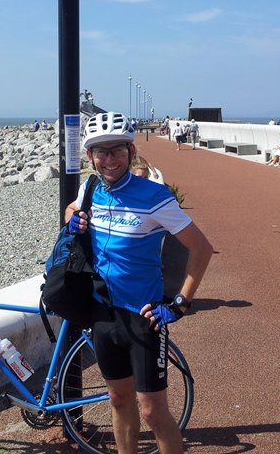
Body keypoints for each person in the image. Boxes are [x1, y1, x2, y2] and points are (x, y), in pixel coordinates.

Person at [66, 112, 214, 454]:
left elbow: (202, 248)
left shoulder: (154, 196)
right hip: (103, 313)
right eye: (100, 152)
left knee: (152, 410)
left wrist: (180, 303)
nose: (109, 159)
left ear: (131, 152)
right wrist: (74, 219)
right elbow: (71, 209)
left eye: (117, 150)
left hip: (144, 316)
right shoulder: (89, 187)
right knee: (118, 400)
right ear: (90, 156)